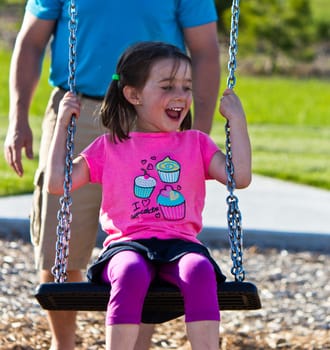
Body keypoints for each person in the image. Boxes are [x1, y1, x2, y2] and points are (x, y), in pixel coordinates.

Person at [4, 1, 220, 349]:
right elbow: (31, 42)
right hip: (78, 109)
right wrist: (18, 117)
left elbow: (205, 50)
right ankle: (64, 344)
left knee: (151, 243)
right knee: (60, 247)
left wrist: (199, 135)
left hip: (153, 113)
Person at [45, 41, 251, 350]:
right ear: (133, 94)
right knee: (130, 271)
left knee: (200, 270)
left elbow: (240, 177)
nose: (180, 96)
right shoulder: (110, 147)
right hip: (127, 246)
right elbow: (57, 184)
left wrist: (236, 121)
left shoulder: (196, 144)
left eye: (186, 86)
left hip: (180, 245)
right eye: (168, 87)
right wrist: (62, 124)